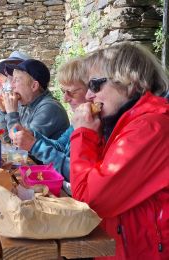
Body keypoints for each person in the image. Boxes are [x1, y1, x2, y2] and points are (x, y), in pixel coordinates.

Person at [70, 42, 169, 259]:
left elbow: (89, 199)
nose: (88, 95)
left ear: (129, 81)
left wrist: (84, 134)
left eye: (95, 85)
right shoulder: (123, 124)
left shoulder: (149, 128)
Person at [10, 58, 88, 186]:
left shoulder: (49, 107)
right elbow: (60, 146)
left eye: (72, 92)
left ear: (91, 91)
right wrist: (33, 135)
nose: (65, 98)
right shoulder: (80, 118)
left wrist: (11, 114)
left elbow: (77, 174)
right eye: (63, 91)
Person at [1, 59, 69, 143]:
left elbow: (21, 144)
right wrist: (4, 110)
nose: (12, 86)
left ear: (34, 86)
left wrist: (11, 113)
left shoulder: (49, 108)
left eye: (17, 80)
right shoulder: (27, 104)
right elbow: (7, 138)